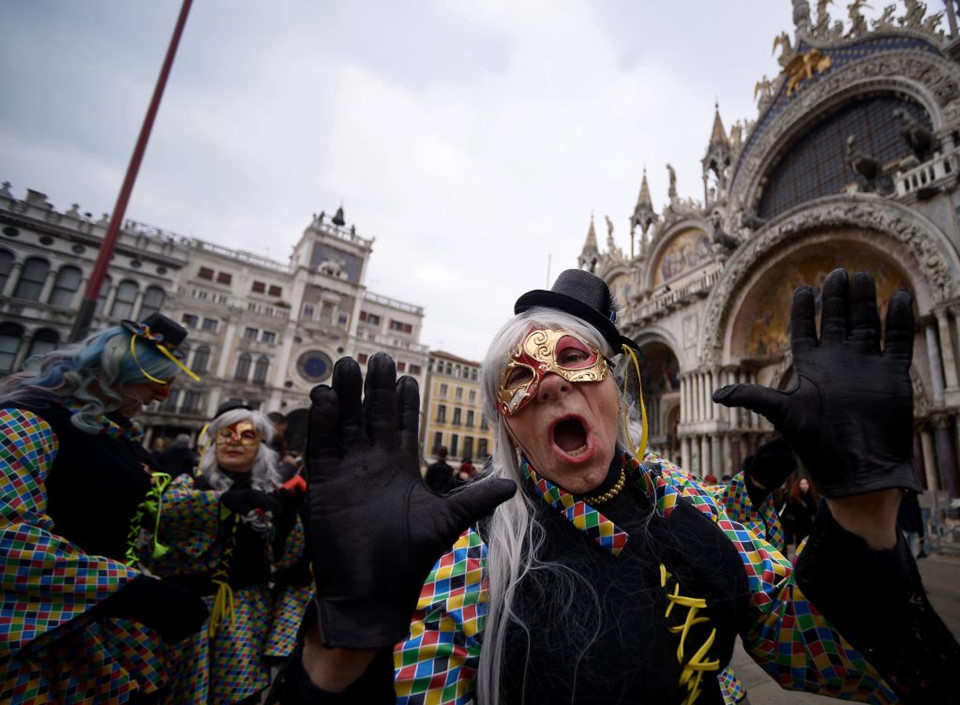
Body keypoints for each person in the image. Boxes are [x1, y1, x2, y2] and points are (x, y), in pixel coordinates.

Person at [286, 268, 959, 703]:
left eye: (574, 358)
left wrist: (864, 514)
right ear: (509, 427)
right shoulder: (471, 555)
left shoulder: (686, 501)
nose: (548, 380)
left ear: (616, 383)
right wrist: (343, 652)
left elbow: (822, 650)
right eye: (516, 380)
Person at [0, 313, 209, 703]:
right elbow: (7, 539)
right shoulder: (26, 422)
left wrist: (229, 504)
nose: (161, 396)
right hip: (38, 640)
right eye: (156, 382)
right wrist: (130, 590)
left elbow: (156, 508)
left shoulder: (116, 435)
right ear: (117, 372)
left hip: (105, 635)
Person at [147, 404, 311, 704]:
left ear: (260, 446)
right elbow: (166, 518)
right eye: (226, 433)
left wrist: (288, 518)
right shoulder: (188, 485)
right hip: (185, 615)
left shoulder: (273, 496)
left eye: (246, 435)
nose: (234, 441)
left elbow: (288, 559)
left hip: (245, 621)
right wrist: (224, 502)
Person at [781, 475, 819, 553]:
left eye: (806, 483)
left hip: (810, 527)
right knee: (801, 548)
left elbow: (815, 511)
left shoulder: (812, 497)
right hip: (799, 528)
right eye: (802, 484)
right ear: (798, 485)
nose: (804, 486)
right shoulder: (794, 499)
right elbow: (790, 512)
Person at [897, 489, 926, 560]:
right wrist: (921, 534)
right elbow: (919, 517)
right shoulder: (914, 501)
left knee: (905, 552)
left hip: (905, 528)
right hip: (912, 529)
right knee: (912, 553)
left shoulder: (901, 500)